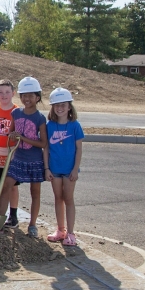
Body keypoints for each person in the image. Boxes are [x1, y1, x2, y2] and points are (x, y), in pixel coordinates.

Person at [0, 77, 48, 237]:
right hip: (18, 157)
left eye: (31, 96)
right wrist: (12, 137)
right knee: (6, 186)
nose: (27, 99)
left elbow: (43, 143)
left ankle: (32, 225)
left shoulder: (40, 118)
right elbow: (11, 135)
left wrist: (23, 138)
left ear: (37, 97)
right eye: (24, 95)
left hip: (34, 160)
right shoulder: (16, 113)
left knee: (35, 192)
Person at [44, 88, 83, 247]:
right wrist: (47, 168)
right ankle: (60, 230)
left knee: (68, 198)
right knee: (58, 198)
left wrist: (75, 169)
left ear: (69, 106)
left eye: (63, 105)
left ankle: (71, 233)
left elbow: (79, 148)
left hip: (69, 170)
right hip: (54, 169)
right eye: (56, 105)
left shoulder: (75, 126)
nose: (60, 108)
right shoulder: (50, 126)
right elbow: (45, 148)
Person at [0, 79, 19, 228]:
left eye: (7, 92)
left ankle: (13, 216)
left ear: (13, 93)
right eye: (0, 92)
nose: (4, 95)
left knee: (12, 185)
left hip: (12, 152)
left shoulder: (18, 112)